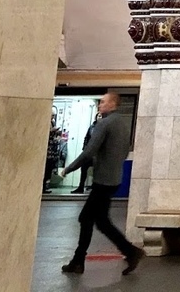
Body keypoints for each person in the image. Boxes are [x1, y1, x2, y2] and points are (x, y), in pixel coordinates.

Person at [60, 93, 144, 276]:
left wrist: (68, 169)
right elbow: (122, 151)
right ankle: (80, 260)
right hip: (114, 179)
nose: (99, 105)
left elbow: (89, 151)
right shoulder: (122, 124)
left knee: (88, 219)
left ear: (113, 104)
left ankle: (128, 252)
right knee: (100, 221)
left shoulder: (104, 124)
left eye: (103, 102)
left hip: (103, 181)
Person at [72, 112, 102, 195]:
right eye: (98, 116)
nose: (99, 117)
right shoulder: (91, 127)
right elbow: (86, 138)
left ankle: (94, 187)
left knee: (97, 171)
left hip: (98, 154)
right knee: (83, 168)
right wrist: (85, 148)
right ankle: (81, 187)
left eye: (101, 116)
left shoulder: (103, 128)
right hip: (89, 152)